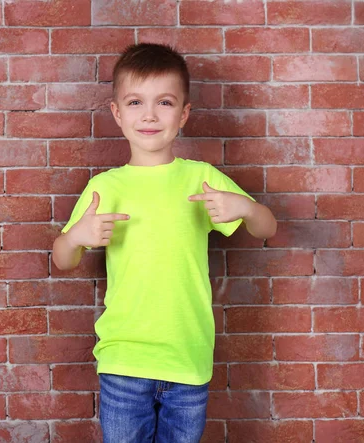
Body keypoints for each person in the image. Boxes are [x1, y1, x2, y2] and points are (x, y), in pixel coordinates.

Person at [52, 43, 277, 443]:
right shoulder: (105, 187)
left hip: (187, 357)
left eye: (165, 102)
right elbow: (63, 259)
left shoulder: (200, 178)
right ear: (118, 113)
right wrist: (76, 237)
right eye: (136, 102)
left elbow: (267, 228)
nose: (150, 115)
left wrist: (244, 207)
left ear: (184, 113)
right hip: (124, 359)